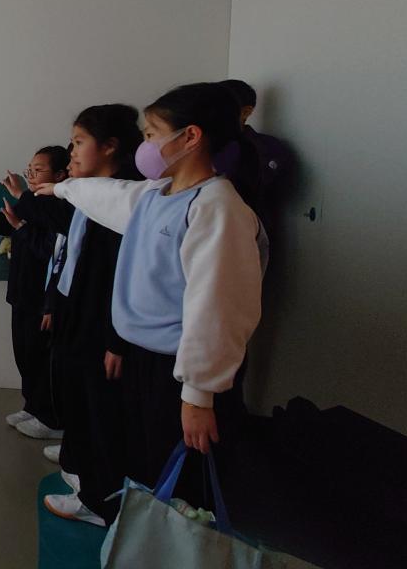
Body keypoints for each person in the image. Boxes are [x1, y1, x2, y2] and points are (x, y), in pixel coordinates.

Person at [35, 83, 265, 515]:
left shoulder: (217, 207)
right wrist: (62, 190)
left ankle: (174, 543)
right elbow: (112, 196)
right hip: (146, 361)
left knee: (183, 481)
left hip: (181, 372)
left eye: (152, 134)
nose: (145, 146)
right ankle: (136, 534)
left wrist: (198, 394)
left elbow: (218, 308)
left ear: (190, 136)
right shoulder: (158, 195)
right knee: (143, 463)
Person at [8, 105, 143, 527]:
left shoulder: (122, 200)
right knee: (78, 399)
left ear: (110, 146)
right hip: (74, 311)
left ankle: (99, 500)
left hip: (102, 323)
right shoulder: (86, 192)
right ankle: (81, 471)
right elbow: (67, 250)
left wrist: (117, 339)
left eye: (79, 142)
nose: (72, 153)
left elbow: (122, 277)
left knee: (99, 410)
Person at [0, 146, 68, 437]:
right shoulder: (34, 201)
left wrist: (21, 213)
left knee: (42, 357)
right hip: (22, 292)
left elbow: (51, 251)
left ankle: (52, 417)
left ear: (60, 174)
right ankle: (33, 406)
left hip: (42, 297)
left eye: (38, 170)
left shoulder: (58, 207)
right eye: (30, 169)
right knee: (25, 354)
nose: (31, 175)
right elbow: (2, 224)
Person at [212, 79, 295, 239]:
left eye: (221, 106)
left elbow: (269, 192)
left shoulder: (268, 147)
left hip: (249, 230)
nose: (212, 113)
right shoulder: (201, 144)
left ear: (246, 112)